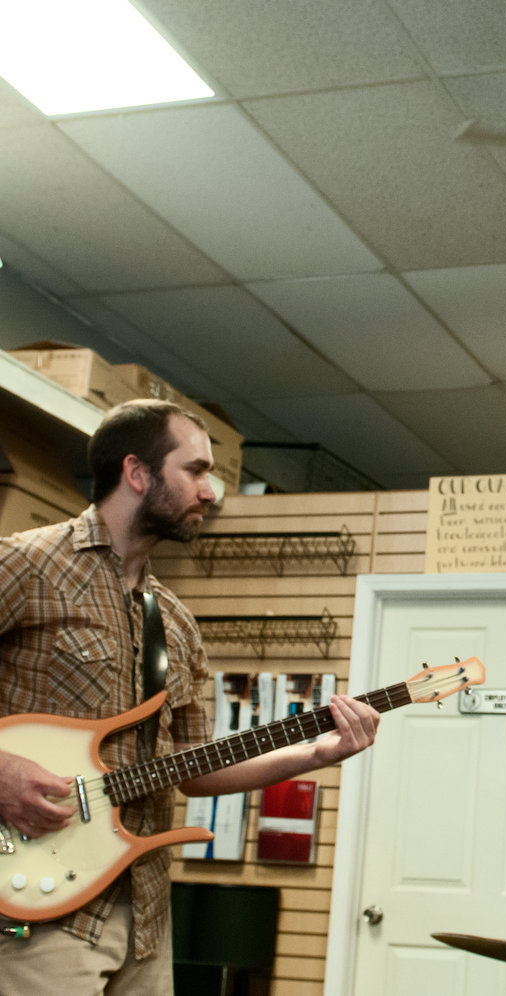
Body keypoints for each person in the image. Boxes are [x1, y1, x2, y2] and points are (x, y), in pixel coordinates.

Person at [0, 399, 380, 994]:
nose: (210, 491)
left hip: (144, 911)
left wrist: (316, 753)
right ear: (137, 472)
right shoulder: (27, 564)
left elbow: (196, 770)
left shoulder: (174, 621)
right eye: (196, 470)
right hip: (37, 909)